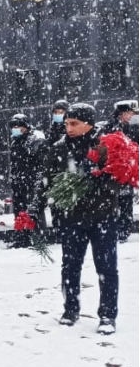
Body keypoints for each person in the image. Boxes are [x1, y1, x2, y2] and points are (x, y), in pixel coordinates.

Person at [29, 103, 119, 334]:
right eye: (67, 123)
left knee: (107, 268)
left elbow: (118, 178)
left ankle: (108, 316)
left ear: (88, 124)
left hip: (102, 217)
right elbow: (45, 181)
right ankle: (70, 310)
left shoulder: (106, 145)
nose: (68, 128)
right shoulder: (58, 148)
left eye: (74, 123)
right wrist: (34, 210)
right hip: (71, 219)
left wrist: (96, 180)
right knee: (70, 267)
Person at [97, 99, 138, 241]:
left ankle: (124, 231)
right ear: (121, 113)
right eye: (129, 113)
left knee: (126, 202)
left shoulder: (132, 128)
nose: (131, 116)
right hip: (113, 171)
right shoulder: (109, 128)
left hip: (128, 170)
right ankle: (113, 231)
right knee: (113, 203)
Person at [8, 114, 48, 248]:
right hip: (18, 183)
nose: (15, 129)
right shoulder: (15, 142)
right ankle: (21, 238)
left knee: (34, 211)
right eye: (13, 126)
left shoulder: (34, 141)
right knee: (19, 211)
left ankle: (39, 238)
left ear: (25, 127)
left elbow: (41, 163)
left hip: (31, 182)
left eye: (18, 126)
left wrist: (37, 182)